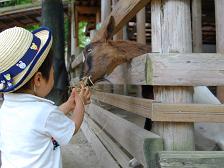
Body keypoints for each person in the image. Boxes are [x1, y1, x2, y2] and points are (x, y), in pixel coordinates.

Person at [0, 26, 91, 168]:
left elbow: (41, 122)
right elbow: (72, 128)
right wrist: (80, 103)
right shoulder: (44, 111)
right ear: (38, 79)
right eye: (53, 71)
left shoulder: (5, 109)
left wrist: (68, 105)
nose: (54, 73)